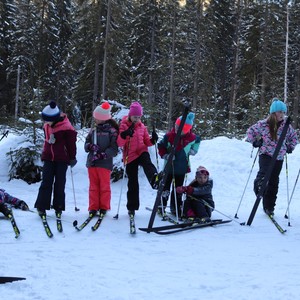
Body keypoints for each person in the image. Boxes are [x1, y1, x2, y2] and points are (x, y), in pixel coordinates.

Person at [246, 98, 298, 215]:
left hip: (279, 157)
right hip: (266, 154)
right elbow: (250, 132)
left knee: (274, 181)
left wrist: (290, 147)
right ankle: (259, 186)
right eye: (280, 112)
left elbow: (294, 138)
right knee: (264, 174)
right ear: (273, 113)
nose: (282, 115)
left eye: (283, 112)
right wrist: (255, 141)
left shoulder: (287, 126)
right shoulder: (263, 124)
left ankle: (269, 207)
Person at [34, 101, 77, 218]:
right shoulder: (47, 125)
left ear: (55, 118)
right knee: (46, 181)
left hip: (61, 159)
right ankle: (41, 206)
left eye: (47, 120)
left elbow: (71, 145)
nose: (45, 122)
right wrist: (45, 152)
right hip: (48, 157)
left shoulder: (67, 128)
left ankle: (58, 206)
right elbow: (46, 140)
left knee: (59, 183)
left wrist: (72, 157)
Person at [117, 101, 159, 217]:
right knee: (133, 182)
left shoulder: (142, 127)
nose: (137, 119)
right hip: (130, 155)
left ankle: (154, 179)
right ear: (130, 115)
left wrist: (153, 140)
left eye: (139, 117)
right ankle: (132, 207)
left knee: (147, 162)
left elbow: (146, 141)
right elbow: (120, 143)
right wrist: (124, 135)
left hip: (141, 151)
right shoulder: (124, 125)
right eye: (135, 116)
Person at [157, 112, 200, 217]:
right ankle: (161, 207)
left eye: (179, 128)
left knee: (178, 190)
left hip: (181, 168)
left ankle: (175, 207)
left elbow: (198, 140)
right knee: (165, 188)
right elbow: (161, 146)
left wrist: (194, 150)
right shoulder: (169, 136)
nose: (176, 128)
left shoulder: (191, 138)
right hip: (169, 168)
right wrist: (165, 155)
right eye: (175, 126)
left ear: (186, 130)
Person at [84, 102, 119, 217]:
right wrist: (90, 146)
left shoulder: (112, 131)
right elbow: (86, 144)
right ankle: (93, 207)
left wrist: (103, 155)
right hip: (92, 163)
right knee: (93, 186)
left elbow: (114, 149)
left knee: (104, 186)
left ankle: (104, 207)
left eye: (96, 117)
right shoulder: (93, 130)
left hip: (104, 163)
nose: (95, 119)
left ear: (102, 118)